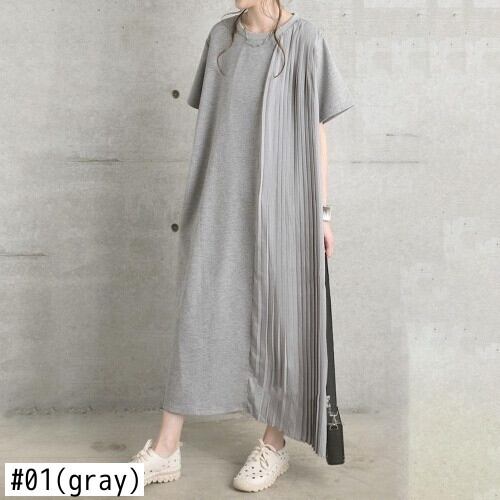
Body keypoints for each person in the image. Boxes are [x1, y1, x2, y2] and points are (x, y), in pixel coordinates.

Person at [130, 0, 354, 493]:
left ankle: (273, 445)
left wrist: (323, 213)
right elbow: (215, 127)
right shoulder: (221, 38)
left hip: (286, 207)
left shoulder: (306, 42)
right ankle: (166, 450)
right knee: (198, 312)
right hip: (221, 200)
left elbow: (317, 131)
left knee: (284, 320)